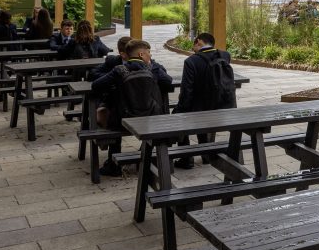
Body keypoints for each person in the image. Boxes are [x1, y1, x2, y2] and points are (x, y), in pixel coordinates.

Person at [91, 39, 173, 177]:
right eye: (149, 53)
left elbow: (96, 85)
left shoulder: (119, 70)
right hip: (149, 120)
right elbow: (168, 82)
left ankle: (113, 166)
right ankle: (146, 156)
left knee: (113, 114)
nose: (150, 56)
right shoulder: (152, 68)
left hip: (123, 121)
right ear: (141, 54)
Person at [174, 32, 237, 169]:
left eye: (193, 45)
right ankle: (206, 155)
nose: (193, 48)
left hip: (201, 110)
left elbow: (187, 91)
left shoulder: (191, 61)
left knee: (180, 113)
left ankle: (186, 158)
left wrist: (180, 109)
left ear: (199, 42)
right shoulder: (225, 55)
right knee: (200, 108)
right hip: (224, 108)